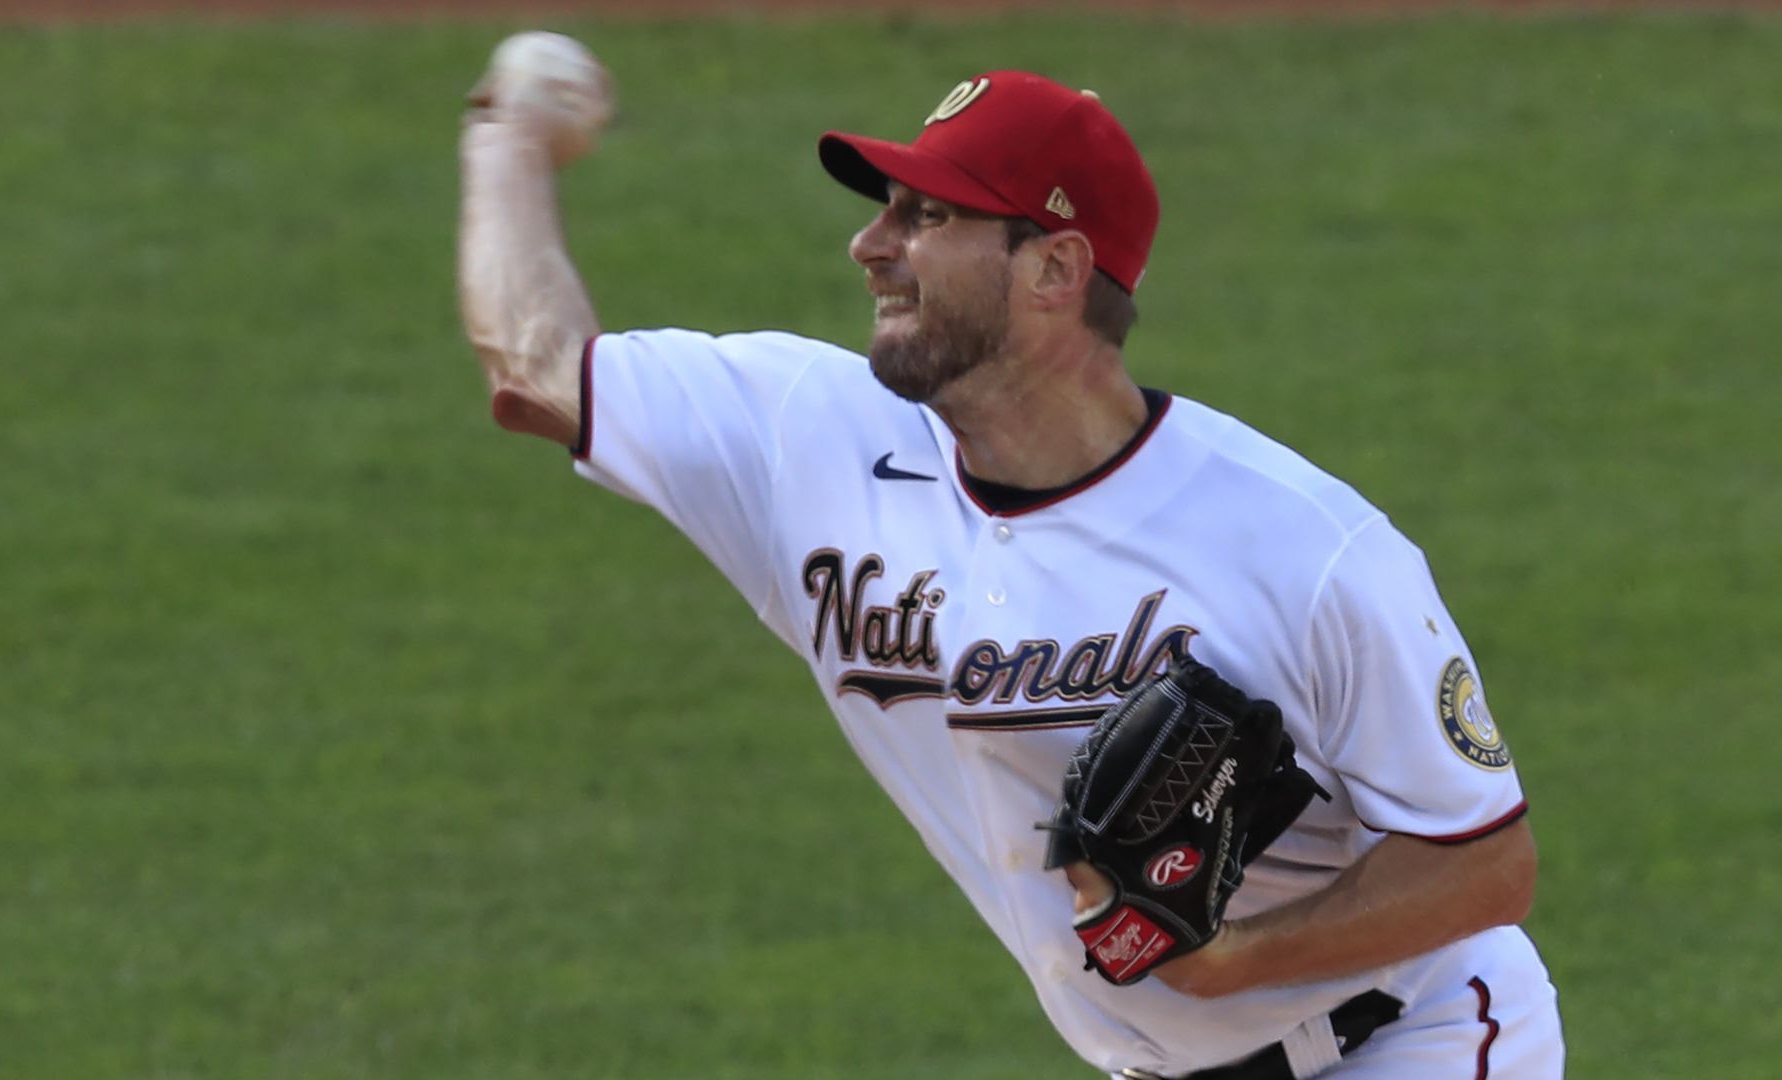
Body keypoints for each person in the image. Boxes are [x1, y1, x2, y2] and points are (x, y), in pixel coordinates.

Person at [458, 47, 1564, 1079]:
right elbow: (537, 370)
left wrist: (1230, 955)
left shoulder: (1303, 549)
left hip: (1412, 1046)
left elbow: (1483, 867)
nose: (871, 244)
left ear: (1055, 268)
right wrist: (504, 139)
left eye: (927, 215)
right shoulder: (804, 436)